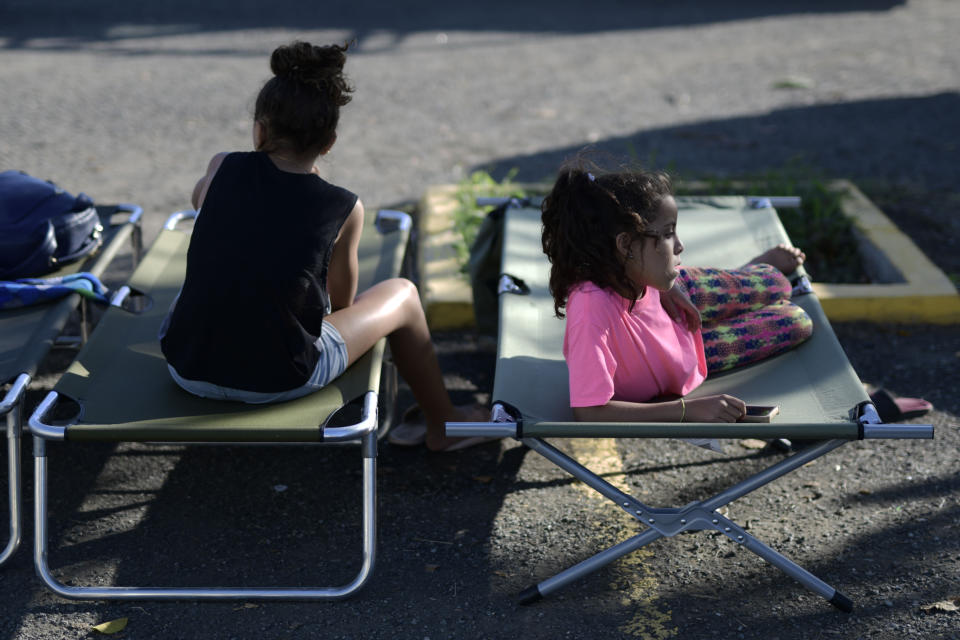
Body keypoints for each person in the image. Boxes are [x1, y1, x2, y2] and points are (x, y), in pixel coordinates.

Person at [160, 41, 485, 451]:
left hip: (187, 366)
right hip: (279, 379)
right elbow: (341, 305)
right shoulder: (343, 207)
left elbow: (199, 202)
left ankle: (443, 423)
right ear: (329, 142)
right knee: (402, 295)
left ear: (260, 129)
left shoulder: (222, 166)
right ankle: (444, 425)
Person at [540, 160, 814, 423]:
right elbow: (589, 412)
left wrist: (665, 287)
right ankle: (737, 285)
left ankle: (750, 270)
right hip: (695, 352)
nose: (680, 245)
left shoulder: (630, 270)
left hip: (682, 292)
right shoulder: (591, 307)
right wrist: (686, 410)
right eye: (668, 233)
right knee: (796, 321)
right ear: (626, 245)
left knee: (777, 282)